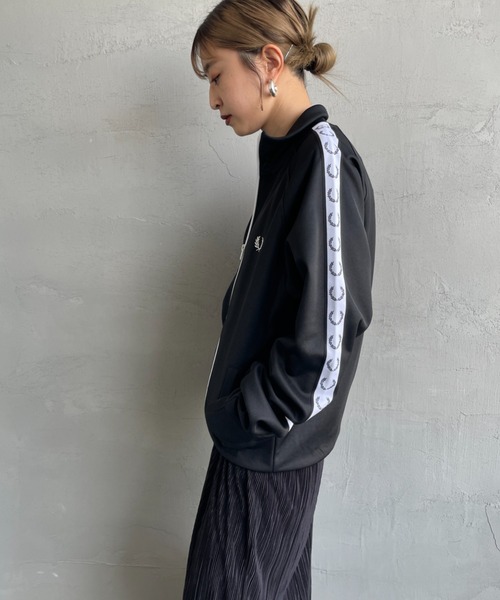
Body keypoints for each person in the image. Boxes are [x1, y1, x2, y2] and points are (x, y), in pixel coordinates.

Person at [183, 1, 375, 598]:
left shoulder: (322, 159)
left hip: (266, 455)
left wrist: (251, 416)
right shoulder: (286, 158)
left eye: (217, 76)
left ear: (268, 61)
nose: (212, 99)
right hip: (254, 448)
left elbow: (332, 333)